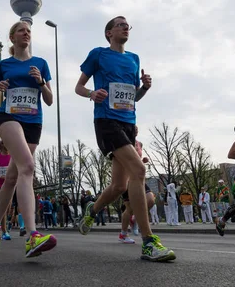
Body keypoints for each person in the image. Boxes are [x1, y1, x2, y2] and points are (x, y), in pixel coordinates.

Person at [75, 15, 175, 262]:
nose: (125, 27)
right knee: (139, 171)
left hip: (129, 124)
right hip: (106, 121)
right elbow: (78, 87)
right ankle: (149, 242)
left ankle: (92, 210)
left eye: (127, 25)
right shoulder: (98, 54)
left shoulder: (134, 59)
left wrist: (144, 89)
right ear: (109, 33)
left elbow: (133, 98)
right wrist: (92, 93)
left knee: (120, 186)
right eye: (119, 24)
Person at [0, 20, 57, 258]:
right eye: (21, 31)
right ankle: (33, 235)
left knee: (13, 177)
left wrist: (39, 82)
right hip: (9, 117)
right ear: (12, 37)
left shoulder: (41, 64)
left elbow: (49, 99)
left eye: (29, 31)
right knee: (28, 166)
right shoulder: (4, 64)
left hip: (33, 122)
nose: (26, 33)